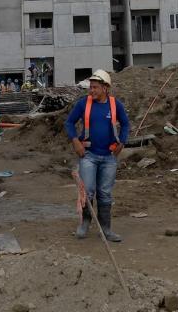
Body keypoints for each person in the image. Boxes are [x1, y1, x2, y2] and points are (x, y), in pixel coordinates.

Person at [64, 70, 129, 242]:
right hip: (89, 155)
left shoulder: (115, 105)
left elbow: (126, 123)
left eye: (95, 87)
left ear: (105, 88)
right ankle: (85, 223)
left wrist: (122, 141)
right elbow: (69, 122)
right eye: (90, 87)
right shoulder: (83, 104)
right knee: (88, 191)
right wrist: (75, 141)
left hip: (109, 157)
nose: (91, 91)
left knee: (105, 193)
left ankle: (106, 229)